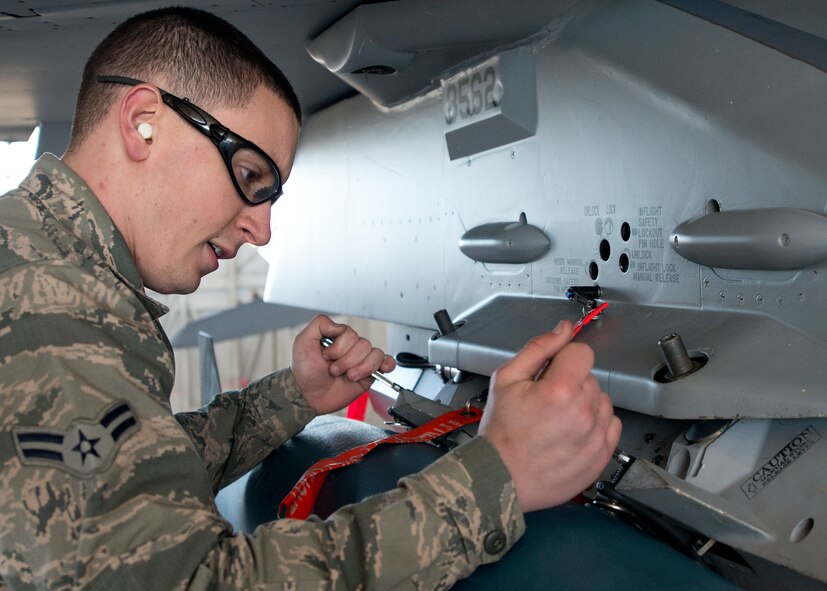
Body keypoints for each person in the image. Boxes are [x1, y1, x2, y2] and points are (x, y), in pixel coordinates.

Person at [0, 6, 621, 590]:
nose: (261, 229)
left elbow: (115, 486)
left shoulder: (35, 264)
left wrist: (290, 400)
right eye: (249, 177)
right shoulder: (51, 308)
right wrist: (499, 476)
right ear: (144, 122)